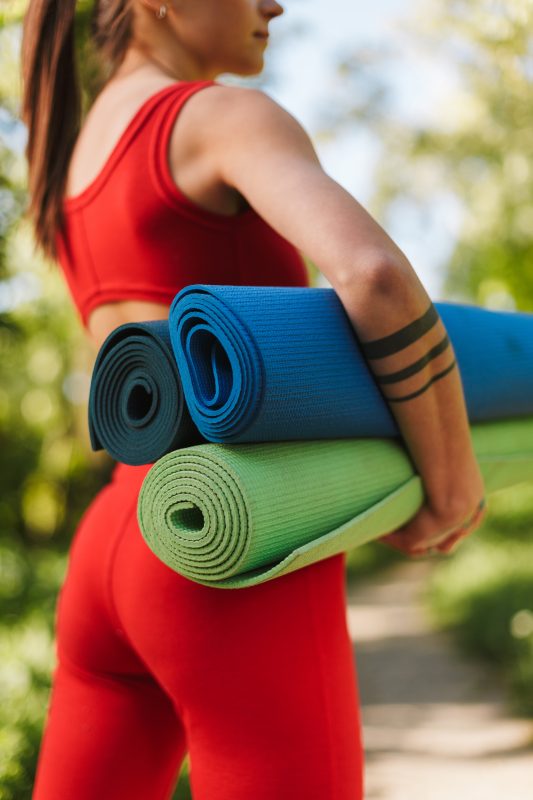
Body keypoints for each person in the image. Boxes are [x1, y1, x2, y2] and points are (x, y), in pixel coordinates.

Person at [20, 1, 486, 798]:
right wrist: (448, 483)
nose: (275, 4)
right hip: (231, 552)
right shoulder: (219, 118)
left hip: (113, 548)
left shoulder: (70, 161)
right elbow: (373, 275)